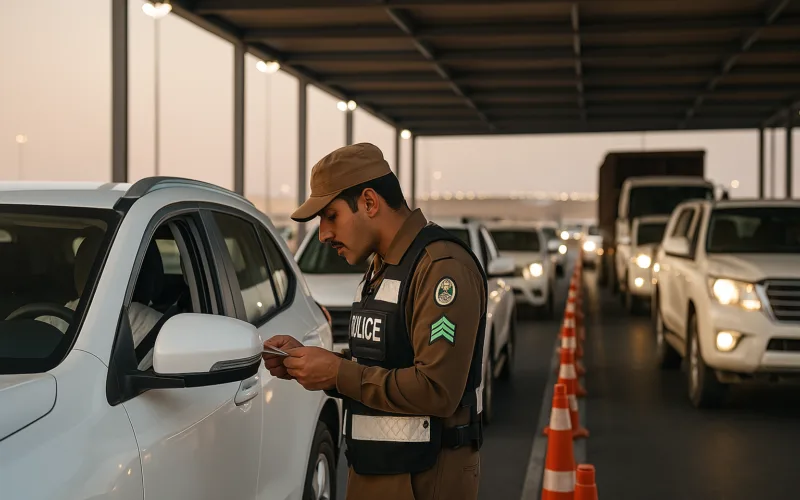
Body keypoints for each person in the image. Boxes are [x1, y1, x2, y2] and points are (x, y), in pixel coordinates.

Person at [263, 143, 488, 500]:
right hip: (376, 470)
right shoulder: (380, 268)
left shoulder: (441, 268)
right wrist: (312, 363)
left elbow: (437, 389)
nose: (322, 234)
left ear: (369, 202)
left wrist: (337, 372)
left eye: (330, 216)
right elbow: (383, 364)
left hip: (423, 480)